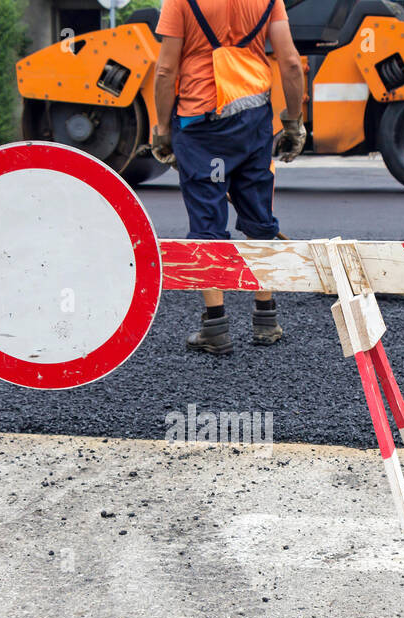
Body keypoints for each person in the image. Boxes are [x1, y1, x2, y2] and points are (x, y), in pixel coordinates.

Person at [151, 0, 306, 354]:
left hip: (200, 123)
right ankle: (265, 319)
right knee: (259, 215)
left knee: (207, 222)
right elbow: (291, 63)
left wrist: (162, 131)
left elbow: (164, 71)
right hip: (252, 118)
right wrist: (294, 122)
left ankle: (215, 326)